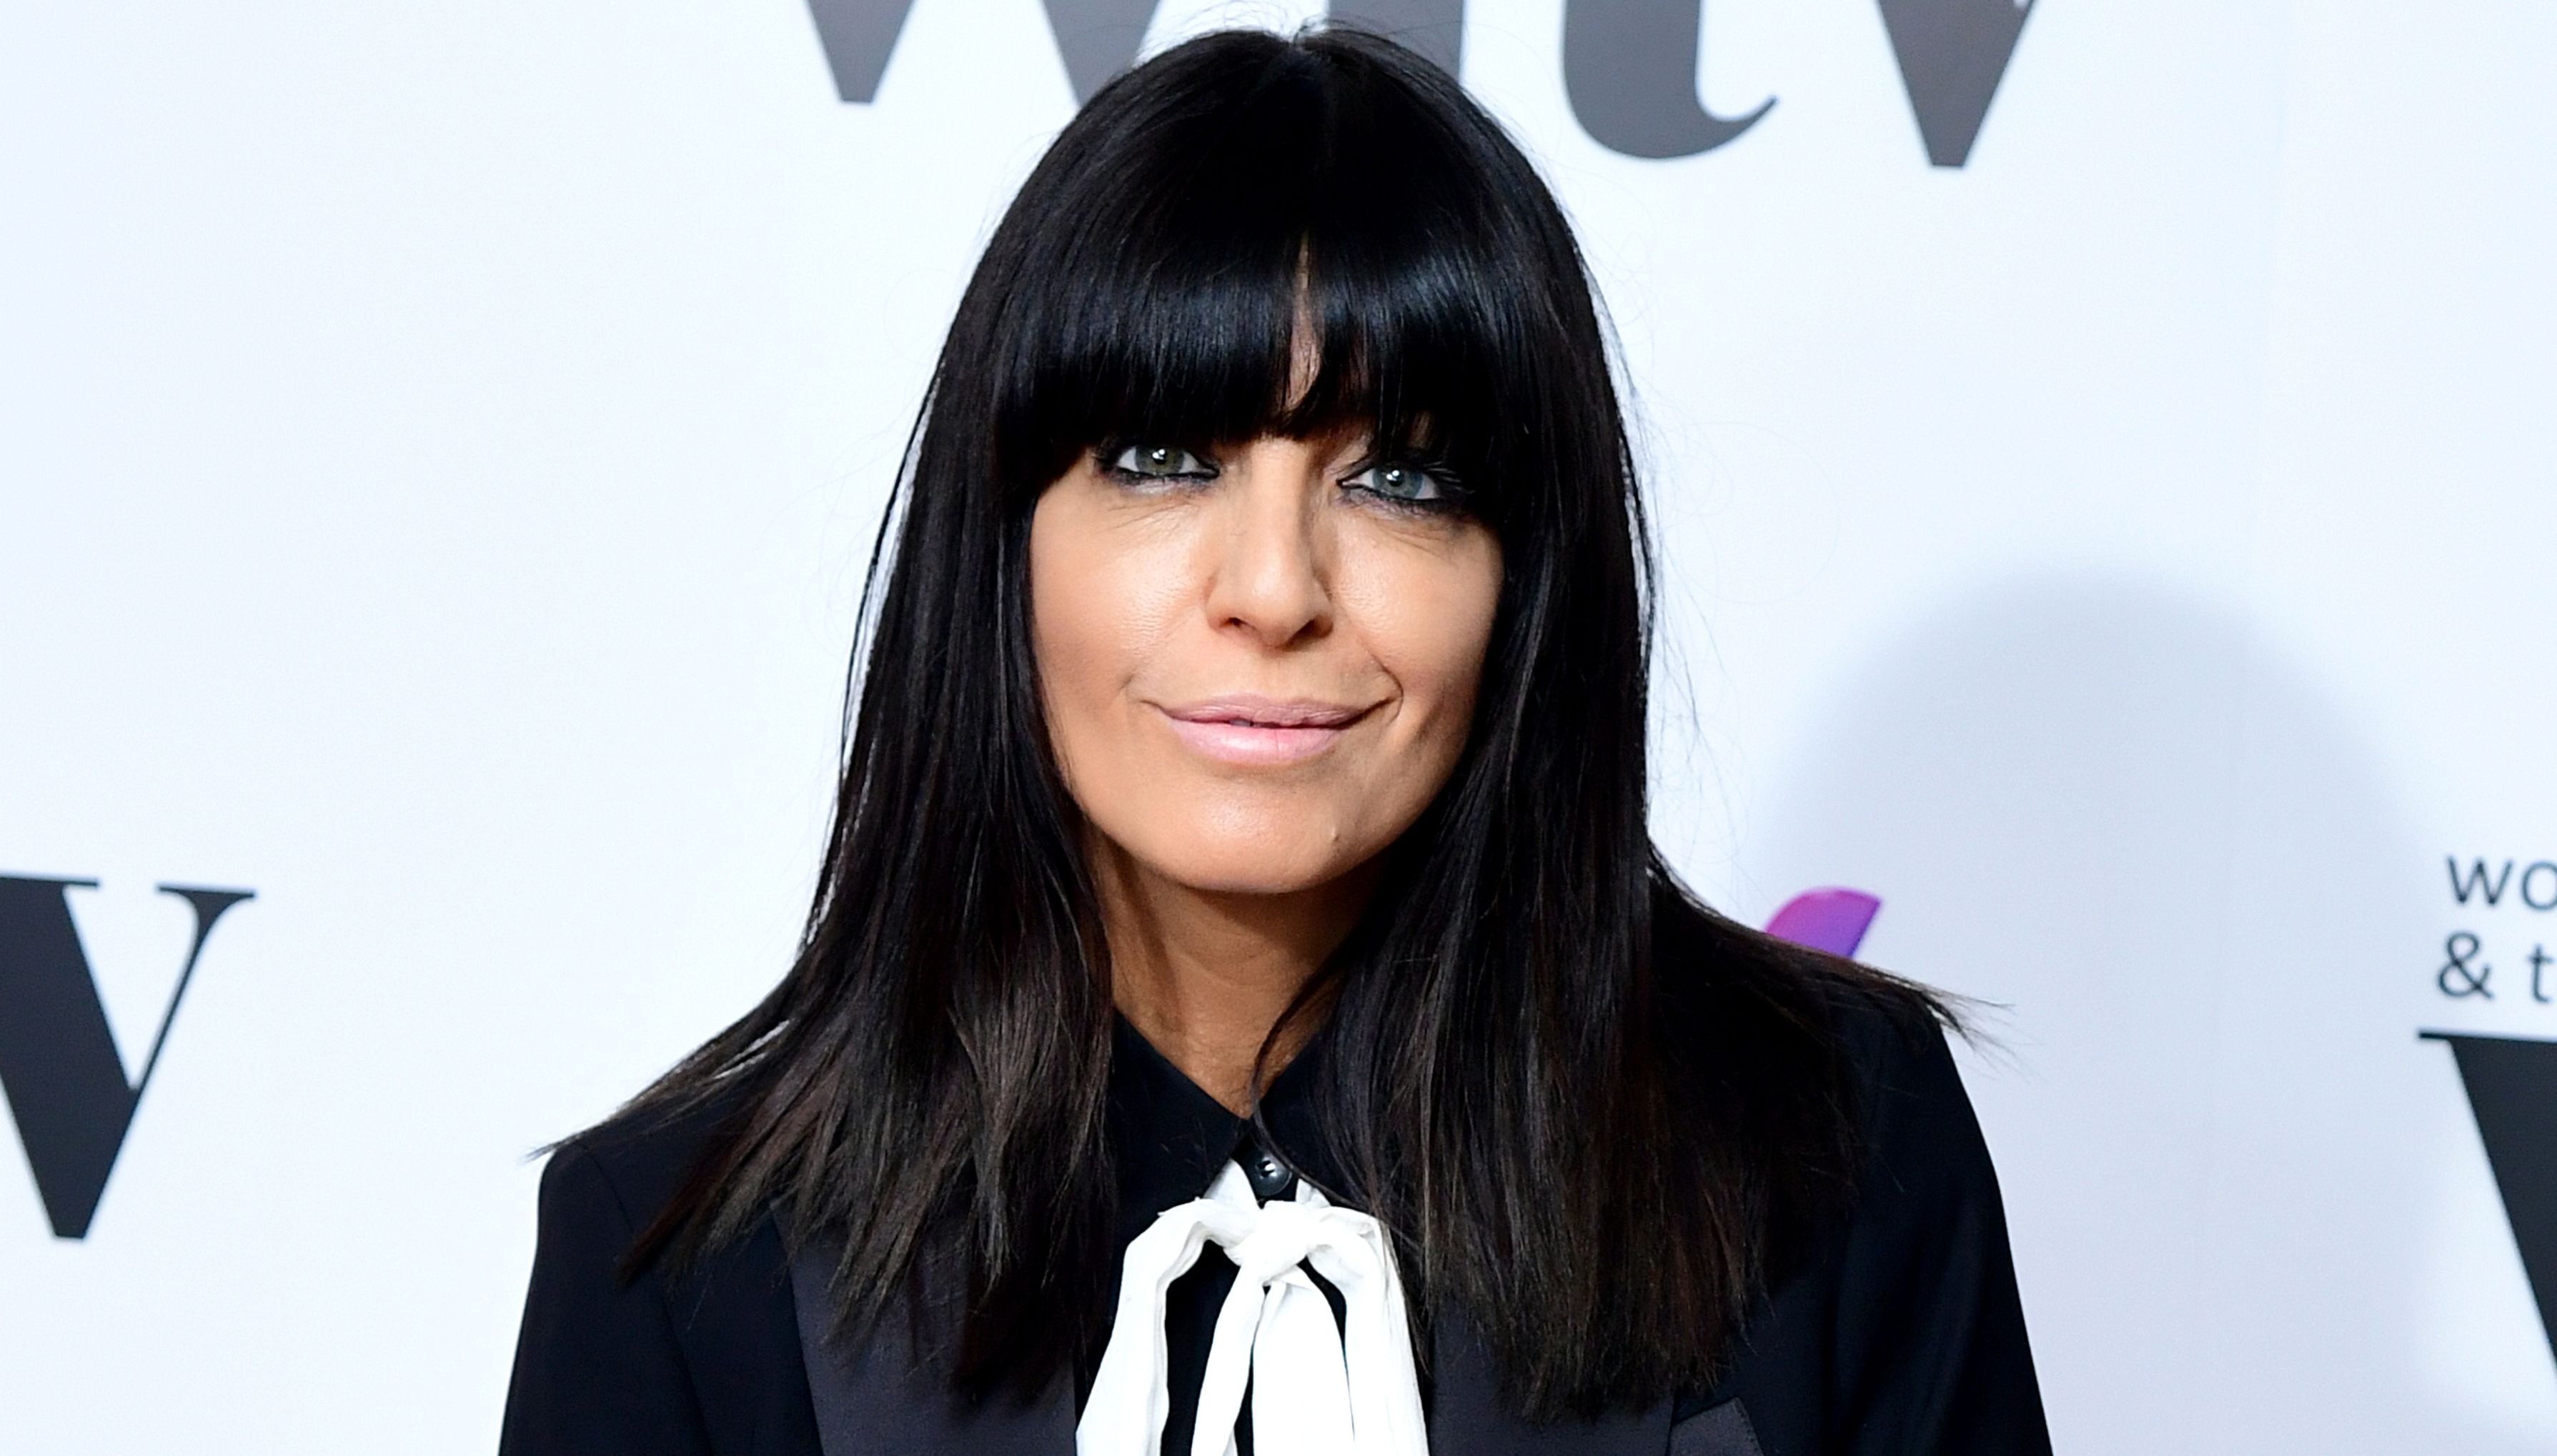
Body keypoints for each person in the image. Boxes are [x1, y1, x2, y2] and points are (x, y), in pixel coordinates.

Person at [497, 25, 2050, 1456]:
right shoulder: (685, 1257)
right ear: (1005, 544)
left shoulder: (1833, 1147)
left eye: (1402, 480)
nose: (1272, 590)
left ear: (1527, 577)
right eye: (1165, 457)